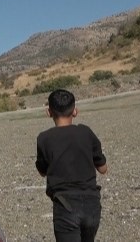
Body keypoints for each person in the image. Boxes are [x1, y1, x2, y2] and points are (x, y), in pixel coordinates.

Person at [36, 89, 108, 242]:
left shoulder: (44, 139)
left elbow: (42, 171)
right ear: (75, 111)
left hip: (65, 207)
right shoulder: (86, 132)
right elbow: (103, 169)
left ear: (48, 112)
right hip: (92, 205)